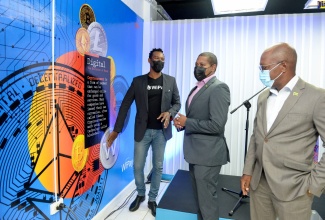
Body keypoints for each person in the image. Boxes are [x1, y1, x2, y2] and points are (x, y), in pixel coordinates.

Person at [241, 43, 325, 220]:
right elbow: (257, 136)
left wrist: (315, 184)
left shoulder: (316, 97)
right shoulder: (263, 97)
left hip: (295, 188)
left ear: (284, 66)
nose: (261, 72)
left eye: (264, 67)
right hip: (260, 184)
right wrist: (248, 171)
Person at [106, 48, 181, 217]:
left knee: (158, 166)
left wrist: (170, 113)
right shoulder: (138, 82)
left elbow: (177, 103)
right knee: (138, 166)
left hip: (161, 132)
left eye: (162, 59)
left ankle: (152, 199)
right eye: (156, 58)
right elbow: (125, 105)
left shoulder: (170, 81)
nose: (160, 61)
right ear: (149, 60)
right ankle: (141, 194)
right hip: (143, 131)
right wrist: (116, 131)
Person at [174, 52, 230, 220]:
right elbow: (198, 117)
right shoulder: (198, 87)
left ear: (213, 68)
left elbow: (217, 125)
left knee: (207, 204)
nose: (197, 68)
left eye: (202, 65)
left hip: (208, 155)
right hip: (196, 154)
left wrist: (187, 122)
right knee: (200, 202)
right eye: (196, 64)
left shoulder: (219, 88)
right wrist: (182, 125)